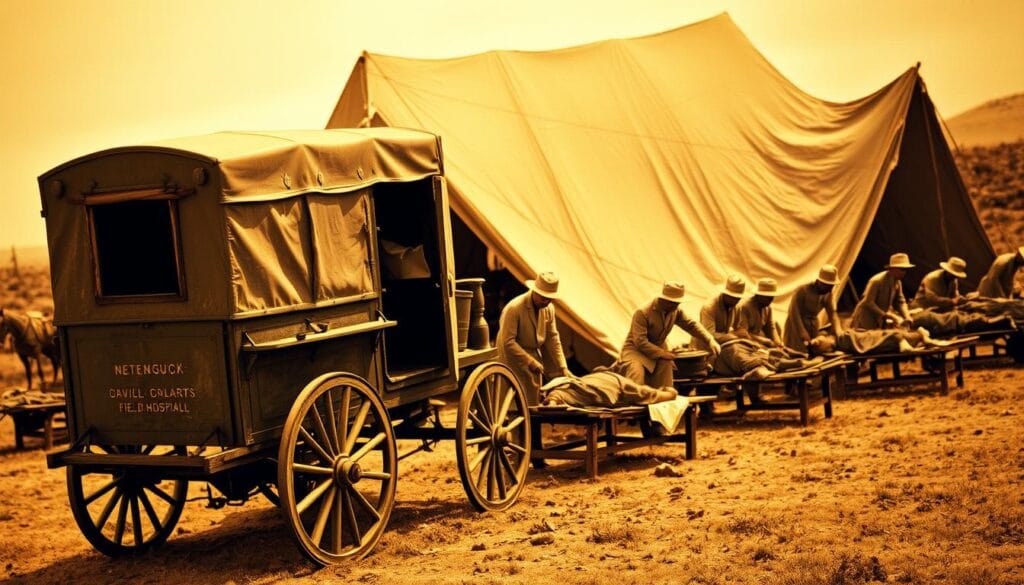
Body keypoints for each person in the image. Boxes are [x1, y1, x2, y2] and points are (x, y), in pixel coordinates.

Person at [617, 281, 720, 388]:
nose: (676, 305)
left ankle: (665, 395)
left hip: (659, 352)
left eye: (678, 303)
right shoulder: (643, 312)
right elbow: (640, 342)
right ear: (663, 299)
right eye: (673, 302)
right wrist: (662, 353)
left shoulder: (675, 311)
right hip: (636, 352)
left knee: (666, 372)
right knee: (636, 377)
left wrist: (710, 340)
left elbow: (691, 325)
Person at [496, 271, 571, 406]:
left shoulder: (549, 309)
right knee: (512, 402)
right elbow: (507, 341)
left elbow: (553, 338)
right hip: (511, 358)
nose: (546, 301)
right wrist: (530, 361)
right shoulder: (514, 308)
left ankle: (531, 416)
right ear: (535, 291)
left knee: (532, 401)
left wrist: (563, 368)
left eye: (550, 298)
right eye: (543, 297)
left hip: (534, 359)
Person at [783, 265, 843, 354]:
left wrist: (839, 331)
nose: (830, 288)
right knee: (797, 352)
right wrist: (802, 332)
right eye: (828, 286)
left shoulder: (827, 294)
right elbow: (794, 313)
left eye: (832, 286)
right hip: (796, 325)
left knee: (813, 349)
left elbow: (833, 315)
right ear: (819, 282)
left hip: (812, 325)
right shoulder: (802, 290)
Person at [541, 370, 677, 409]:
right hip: (599, 391)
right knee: (578, 393)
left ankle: (553, 400)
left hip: (581, 386)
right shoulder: (619, 380)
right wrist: (671, 394)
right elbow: (646, 394)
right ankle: (554, 400)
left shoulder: (591, 377)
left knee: (568, 393)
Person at [850, 253, 914, 330]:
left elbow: (900, 302)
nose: (904, 272)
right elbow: (868, 302)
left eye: (906, 270)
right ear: (893, 269)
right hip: (865, 318)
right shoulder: (877, 281)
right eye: (902, 269)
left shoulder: (897, 283)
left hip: (878, 319)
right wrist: (885, 315)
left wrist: (907, 316)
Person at [808, 327, 953, 356]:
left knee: (885, 335)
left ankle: (921, 335)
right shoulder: (830, 347)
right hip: (854, 341)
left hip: (855, 337)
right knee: (890, 337)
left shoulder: (830, 337)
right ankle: (921, 336)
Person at [698, 275, 745, 349]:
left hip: (722, 345)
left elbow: (738, 327)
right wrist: (734, 336)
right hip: (703, 347)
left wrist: (742, 332)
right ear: (725, 293)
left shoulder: (737, 306)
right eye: (732, 297)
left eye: (738, 298)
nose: (735, 301)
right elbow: (709, 335)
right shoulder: (709, 307)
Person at [737, 278, 784, 348]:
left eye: (772, 297)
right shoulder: (744, 307)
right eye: (767, 297)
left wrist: (778, 342)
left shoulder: (767, 307)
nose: (771, 300)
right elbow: (742, 333)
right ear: (758, 295)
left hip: (759, 338)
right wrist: (764, 341)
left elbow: (770, 327)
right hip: (745, 340)